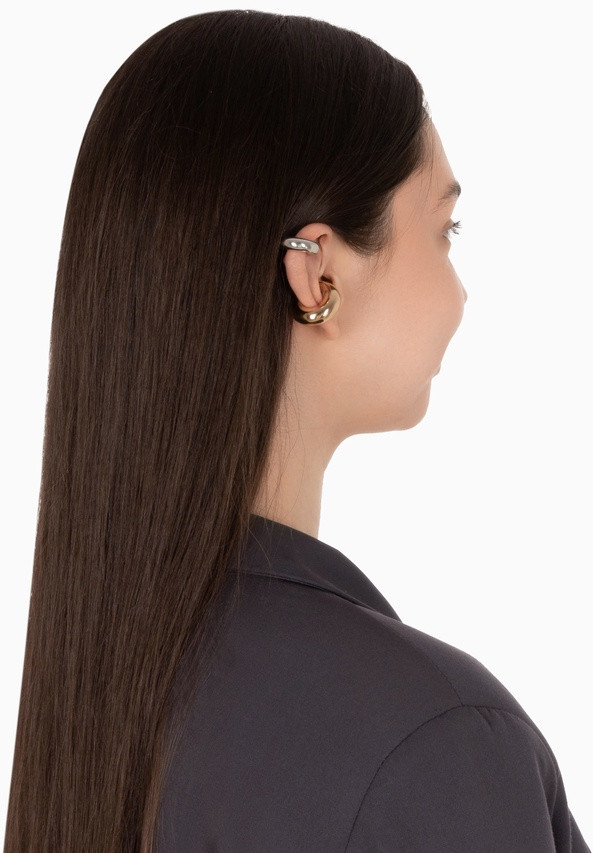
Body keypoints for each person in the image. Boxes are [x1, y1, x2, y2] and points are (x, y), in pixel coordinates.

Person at [3, 10, 589, 853]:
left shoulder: (96, 697)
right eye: (443, 231)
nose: (460, 293)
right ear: (315, 275)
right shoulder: (430, 744)